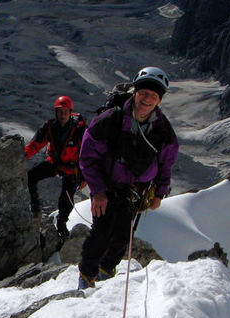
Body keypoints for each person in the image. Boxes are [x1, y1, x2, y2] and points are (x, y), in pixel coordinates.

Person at [77, 67, 179, 289]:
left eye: (153, 96)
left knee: (123, 236)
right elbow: (87, 157)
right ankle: (87, 277)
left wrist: (159, 193)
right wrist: (99, 191)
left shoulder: (163, 132)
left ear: (159, 100)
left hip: (134, 190)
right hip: (106, 185)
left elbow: (166, 165)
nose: (147, 99)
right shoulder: (110, 120)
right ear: (135, 93)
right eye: (144, 93)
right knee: (102, 232)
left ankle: (106, 273)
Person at [24, 95, 87, 238]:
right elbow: (35, 144)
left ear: (70, 112)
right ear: (56, 113)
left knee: (66, 199)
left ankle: (62, 224)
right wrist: (22, 157)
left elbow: (87, 154)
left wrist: (85, 177)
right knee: (32, 175)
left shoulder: (79, 130)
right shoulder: (50, 127)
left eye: (65, 111)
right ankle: (35, 204)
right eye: (60, 112)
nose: (63, 115)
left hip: (73, 169)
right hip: (55, 163)